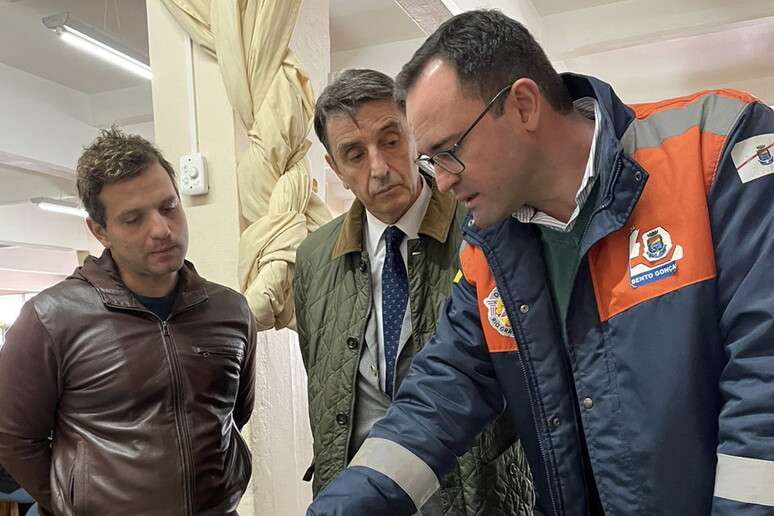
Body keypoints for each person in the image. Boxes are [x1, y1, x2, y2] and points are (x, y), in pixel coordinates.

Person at [307, 9, 774, 516]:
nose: (440, 180)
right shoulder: (489, 247)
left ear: (523, 105)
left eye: (449, 151)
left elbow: (763, 382)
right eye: (430, 160)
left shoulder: (714, 149)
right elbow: (439, 398)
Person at [294, 68, 534, 515]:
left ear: (414, 134)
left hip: (476, 495)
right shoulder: (314, 259)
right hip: (362, 498)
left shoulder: (484, 226)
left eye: (390, 140)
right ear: (335, 169)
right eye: (354, 154)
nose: (379, 168)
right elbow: (323, 376)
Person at [0, 128, 257, 516]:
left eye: (169, 207)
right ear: (99, 231)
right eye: (133, 219)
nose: (161, 230)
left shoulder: (230, 311)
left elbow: (233, 414)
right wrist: (76, 506)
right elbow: (14, 439)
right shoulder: (51, 319)